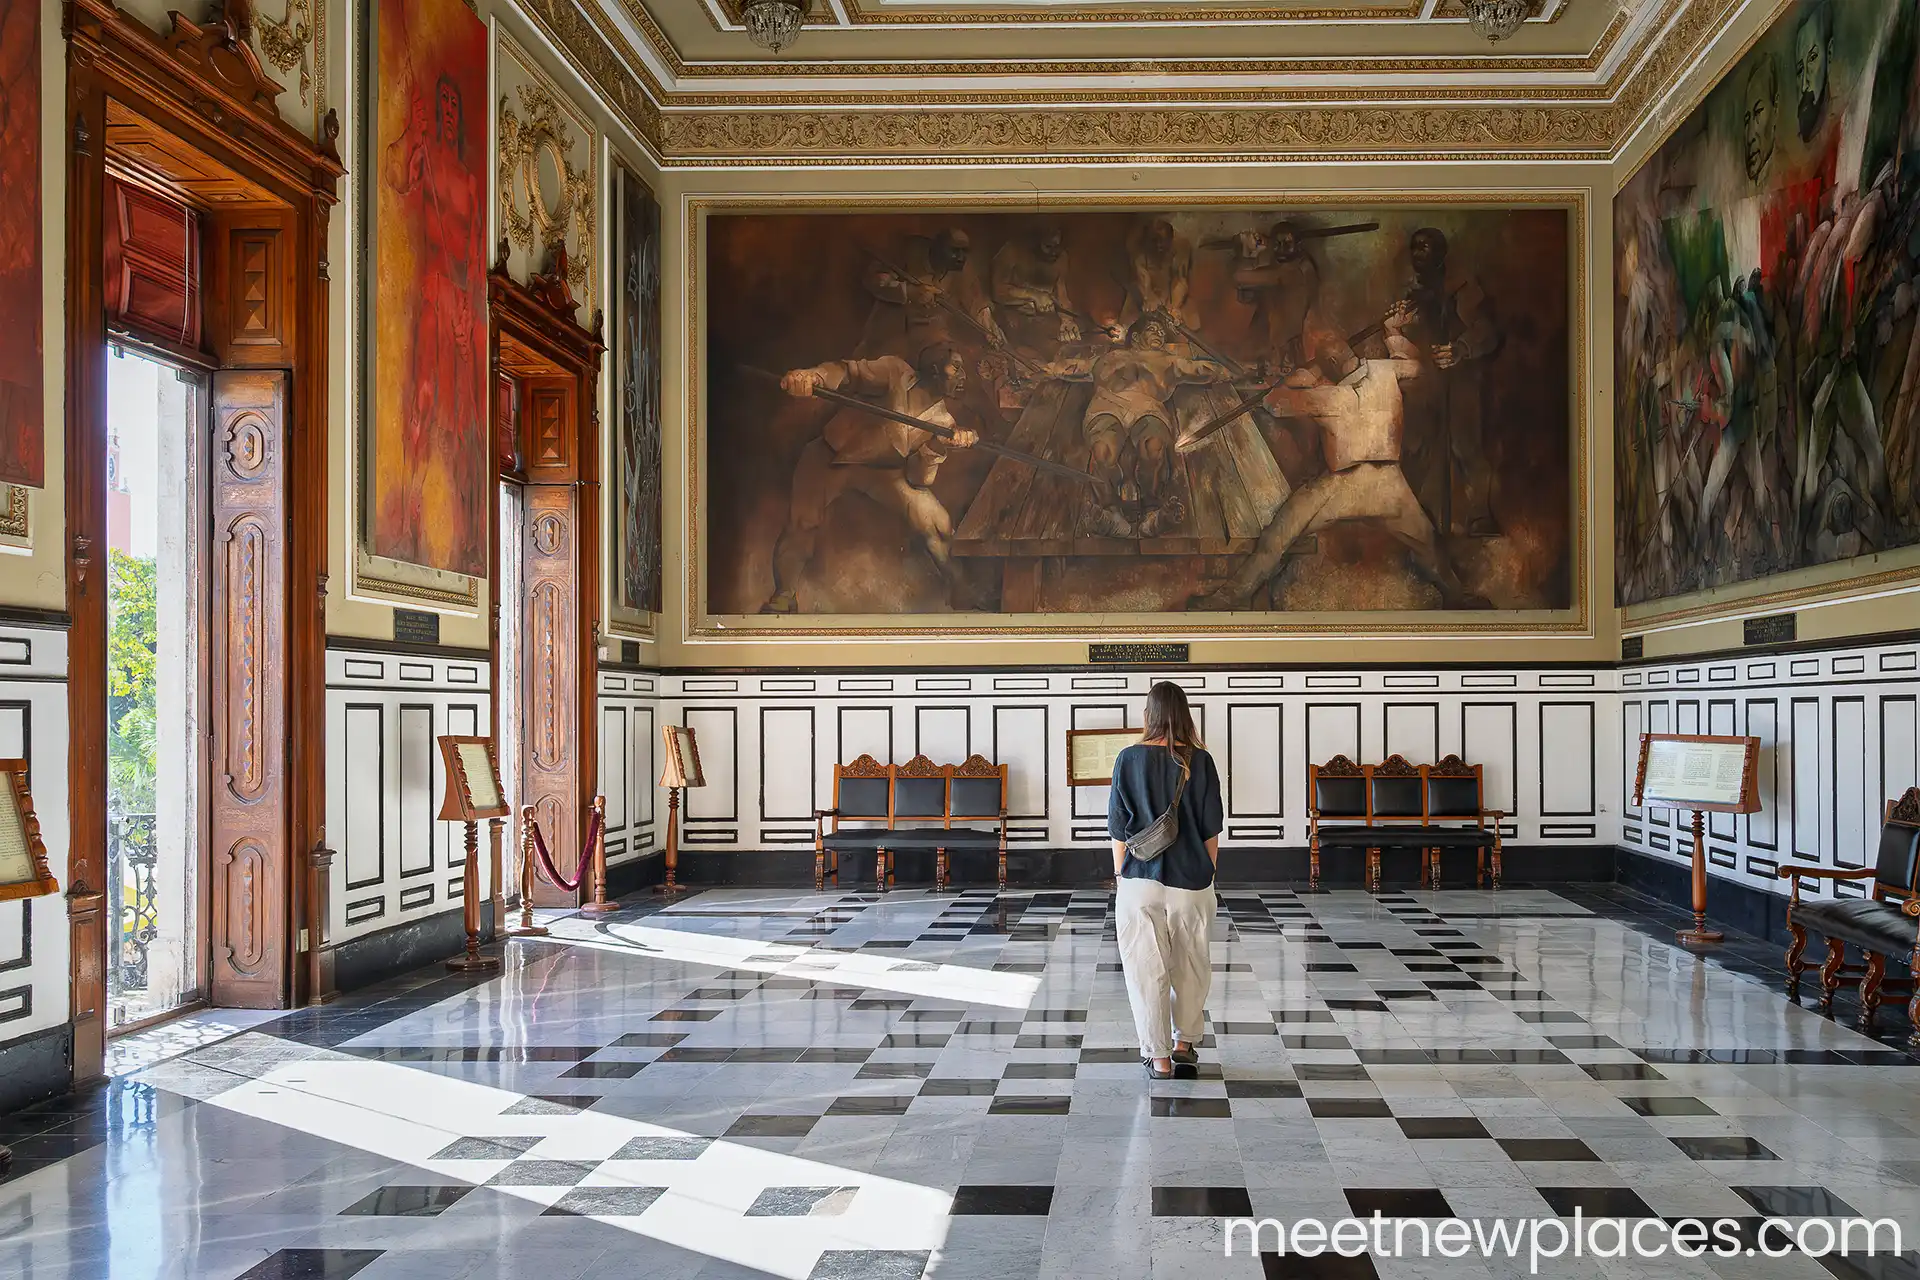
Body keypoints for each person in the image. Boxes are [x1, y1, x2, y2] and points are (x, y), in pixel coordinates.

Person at [1187, 328, 1478, 610]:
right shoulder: (1385, 371)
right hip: (1389, 484)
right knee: (1428, 546)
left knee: (1278, 535)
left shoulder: (1326, 397)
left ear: (1332, 365)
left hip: (1343, 486)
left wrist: (1297, 379)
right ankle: (1457, 595)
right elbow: (1418, 368)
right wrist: (1394, 333)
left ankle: (1232, 595)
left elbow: (1274, 405)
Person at [762, 345, 980, 614]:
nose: (963, 377)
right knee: (803, 523)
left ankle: (962, 590)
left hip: (884, 472)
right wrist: (812, 376)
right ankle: (784, 595)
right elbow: (849, 373)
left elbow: (917, 479)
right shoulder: (894, 373)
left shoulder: (944, 422)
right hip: (832, 456)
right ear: (934, 369)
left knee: (937, 523)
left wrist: (939, 446)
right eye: (956, 368)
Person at [1108, 682, 1223, 1080]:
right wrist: (1206, 875)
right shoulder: (1202, 761)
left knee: (1145, 970)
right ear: (1185, 713)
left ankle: (1158, 1059)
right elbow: (1211, 831)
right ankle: (1184, 1043)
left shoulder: (1127, 759)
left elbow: (1119, 831)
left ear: (1148, 715)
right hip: (1191, 881)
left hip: (1140, 881)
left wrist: (1122, 876)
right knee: (1191, 964)